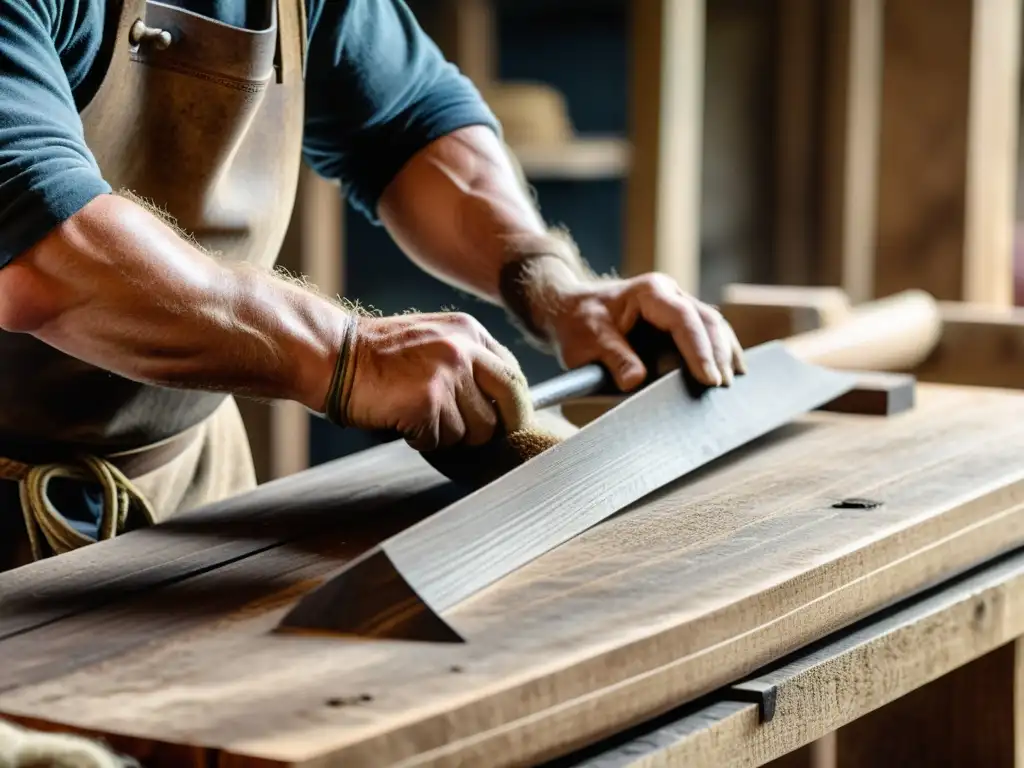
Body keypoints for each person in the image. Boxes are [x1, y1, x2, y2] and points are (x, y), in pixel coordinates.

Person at [0, 0, 745, 570]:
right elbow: (39, 252)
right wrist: (349, 354)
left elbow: (408, 121)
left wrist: (555, 287)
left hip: (189, 488)